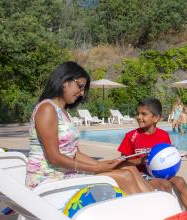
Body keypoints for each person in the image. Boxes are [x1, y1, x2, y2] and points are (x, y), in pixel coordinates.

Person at [25, 61, 152, 195]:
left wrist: (104, 165)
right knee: (125, 176)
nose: (82, 93)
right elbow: (54, 157)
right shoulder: (47, 109)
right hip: (47, 180)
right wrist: (96, 168)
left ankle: (156, 206)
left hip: (65, 174)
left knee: (129, 168)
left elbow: (75, 153)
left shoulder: (63, 112)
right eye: (80, 86)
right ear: (65, 81)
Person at [117, 98, 187, 213]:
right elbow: (121, 163)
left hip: (160, 172)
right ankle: (173, 215)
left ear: (156, 118)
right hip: (140, 175)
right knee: (164, 184)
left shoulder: (163, 136)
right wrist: (141, 160)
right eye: (138, 113)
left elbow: (168, 158)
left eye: (143, 114)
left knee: (180, 181)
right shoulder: (131, 136)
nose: (139, 117)